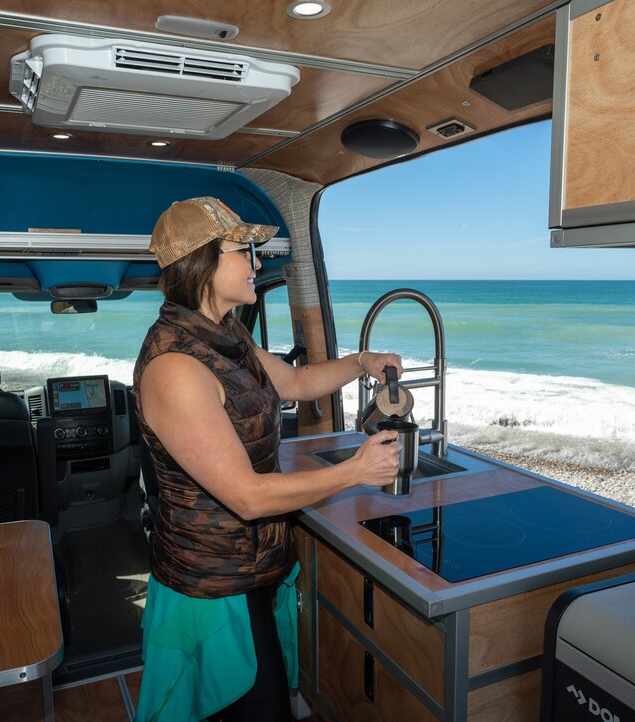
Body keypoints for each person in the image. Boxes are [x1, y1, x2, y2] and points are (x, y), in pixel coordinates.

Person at [133, 196, 402, 721]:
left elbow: (297, 382)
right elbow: (247, 497)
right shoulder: (175, 368)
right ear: (202, 263)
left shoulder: (226, 334)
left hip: (253, 570)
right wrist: (357, 471)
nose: (258, 263)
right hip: (212, 588)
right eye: (245, 251)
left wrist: (361, 361)